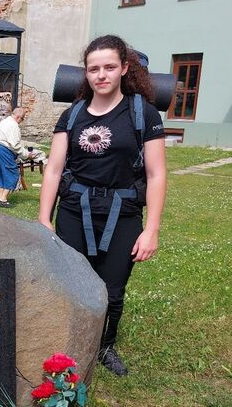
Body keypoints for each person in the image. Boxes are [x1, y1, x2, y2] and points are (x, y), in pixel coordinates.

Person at [38, 35, 166, 376]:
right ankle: (69, 343)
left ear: (125, 68)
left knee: (112, 288)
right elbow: (53, 169)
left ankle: (103, 346)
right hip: (74, 212)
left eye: (110, 67)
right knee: (71, 282)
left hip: (122, 214)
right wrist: (43, 218)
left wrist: (151, 229)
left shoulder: (144, 114)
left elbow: (156, 174)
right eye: (94, 69)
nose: (102, 75)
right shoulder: (73, 115)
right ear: (86, 73)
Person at [0, 107, 27, 208]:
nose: (22, 121)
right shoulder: (13, 125)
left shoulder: (4, 122)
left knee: (0, 173)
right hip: (2, 150)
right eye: (22, 119)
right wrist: (26, 154)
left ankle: (0, 198)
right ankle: (3, 199)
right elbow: (15, 145)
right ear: (19, 117)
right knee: (12, 173)